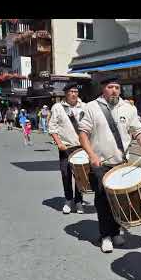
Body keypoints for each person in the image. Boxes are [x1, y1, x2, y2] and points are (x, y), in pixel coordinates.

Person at [78, 76, 141, 253]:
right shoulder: (92, 107)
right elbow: (83, 134)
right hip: (100, 163)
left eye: (117, 87)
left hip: (121, 163)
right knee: (103, 200)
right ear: (103, 88)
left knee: (118, 200)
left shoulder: (128, 108)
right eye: (110, 87)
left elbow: (137, 131)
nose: (114, 90)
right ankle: (105, 236)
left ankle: (116, 231)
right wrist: (91, 155)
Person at [49, 82, 87, 214]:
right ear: (66, 93)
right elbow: (52, 128)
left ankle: (78, 201)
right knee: (66, 174)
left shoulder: (84, 106)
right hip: (66, 147)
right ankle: (68, 200)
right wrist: (59, 143)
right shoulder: (58, 107)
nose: (74, 94)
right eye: (71, 92)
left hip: (81, 147)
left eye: (76, 91)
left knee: (80, 176)